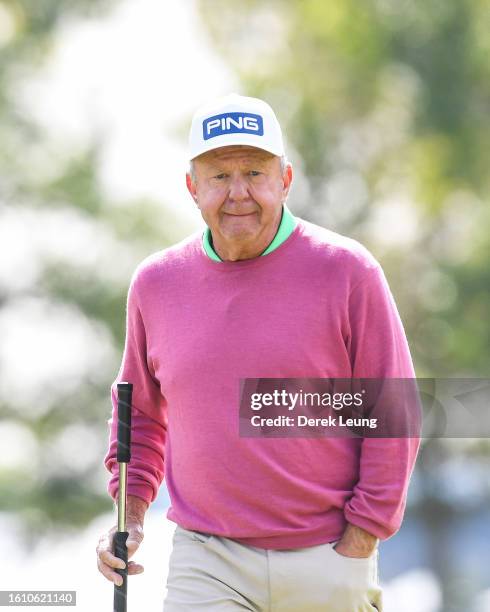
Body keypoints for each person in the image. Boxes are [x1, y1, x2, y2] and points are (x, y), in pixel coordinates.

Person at [96, 93, 420, 611]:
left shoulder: (348, 272)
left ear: (285, 180)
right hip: (207, 560)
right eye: (219, 176)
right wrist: (130, 519)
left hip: (327, 556)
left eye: (254, 172)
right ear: (192, 187)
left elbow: (394, 409)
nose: (238, 193)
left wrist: (362, 537)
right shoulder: (155, 284)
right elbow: (139, 416)